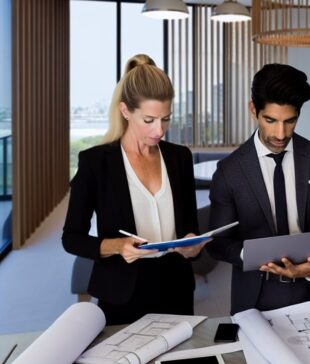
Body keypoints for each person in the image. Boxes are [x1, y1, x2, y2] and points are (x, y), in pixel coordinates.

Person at [62, 54, 206, 325]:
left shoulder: (179, 158)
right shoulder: (96, 163)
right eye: (149, 120)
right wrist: (117, 246)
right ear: (126, 110)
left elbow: (190, 228)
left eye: (166, 119)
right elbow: (71, 238)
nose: (159, 130)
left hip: (176, 289)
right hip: (121, 293)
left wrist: (193, 245)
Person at [207, 63, 310, 315]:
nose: (281, 133)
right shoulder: (229, 171)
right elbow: (218, 243)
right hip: (255, 295)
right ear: (253, 110)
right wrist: (254, 254)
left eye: (290, 121)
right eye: (271, 120)